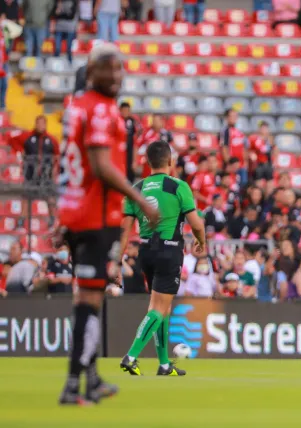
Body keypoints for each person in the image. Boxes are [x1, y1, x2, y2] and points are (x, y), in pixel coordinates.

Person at [57, 44, 160, 405]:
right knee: (89, 299)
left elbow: (70, 165)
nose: (115, 76)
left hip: (78, 211)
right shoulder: (99, 110)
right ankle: (73, 384)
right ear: (91, 71)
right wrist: (141, 198)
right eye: (108, 69)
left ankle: (91, 379)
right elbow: (101, 166)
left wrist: (62, 215)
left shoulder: (77, 108)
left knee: (91, 295)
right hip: (96, 215)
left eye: (119, 70)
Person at [117, 140, 206, 377]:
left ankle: (164, 364)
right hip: (169, 250)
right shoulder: (178, 186)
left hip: (145, 251)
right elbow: (195, 222)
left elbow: (124, 230)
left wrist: (116, 261)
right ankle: (131, 356)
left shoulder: (136, 188)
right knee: (158, 308)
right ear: (170, 161)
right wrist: (201, 240)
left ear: (148, 162)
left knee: (161, 308)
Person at [248, 122, 276, 186]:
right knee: (258, 181)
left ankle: (268, 196)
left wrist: (274, 161)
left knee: (270, 181)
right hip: (258, 163)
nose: (265, 130)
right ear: (259, 129)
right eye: (263, 128)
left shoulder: (270, 139)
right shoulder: (254, 138)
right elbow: (249, 150)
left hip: (268, 163)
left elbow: (274, 150)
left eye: (266, 129)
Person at [120, 102, 141, 182]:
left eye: (127, 110)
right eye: (123, 110)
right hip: (120, 153)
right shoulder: (116, 120)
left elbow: (136, 142)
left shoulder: (133, 121)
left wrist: (135, 160)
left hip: (129, 153)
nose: (125, 112)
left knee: (130, 177)